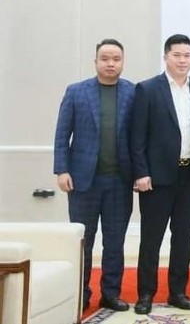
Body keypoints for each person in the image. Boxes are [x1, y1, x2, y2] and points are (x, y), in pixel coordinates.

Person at [130, 34, 190, 315]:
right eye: (177, 55)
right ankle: (145, 293)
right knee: (151, 237)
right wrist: (141, 172)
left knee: (183, 237)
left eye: (187, 55)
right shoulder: (147, 89)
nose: (182, 60)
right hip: (156, 178)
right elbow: (137, 136)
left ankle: (178, 292)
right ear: (166, 57)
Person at [53, 38, 135, 312]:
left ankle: (110, 293)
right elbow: (62, 134)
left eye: (116, 59)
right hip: (82, 181)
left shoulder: (133, 92)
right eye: (105, 58)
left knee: (115, 242)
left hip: (120, 181)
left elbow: (139, 138)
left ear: (122, 62)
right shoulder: (76, 92)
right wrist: (61, 169)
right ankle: (81, 293)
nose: (110, 63)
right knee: (83, 242)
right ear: (95, 61)